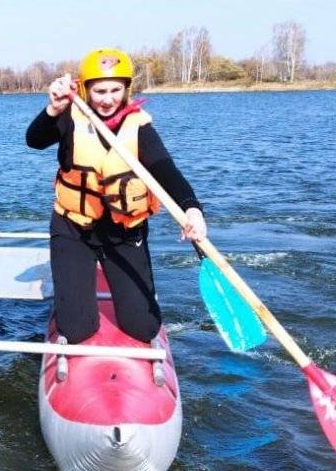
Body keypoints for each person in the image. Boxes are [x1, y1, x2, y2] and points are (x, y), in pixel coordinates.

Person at [25, 48, 207, 344]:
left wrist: (192, 210)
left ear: (126, 89)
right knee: (76, 331)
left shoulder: (139, 126)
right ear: (85, 89)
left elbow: (165, 169)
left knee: (142, 328)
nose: (107, 99)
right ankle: (73, 296)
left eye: (115, 90)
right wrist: (53, 108)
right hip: (74, 229)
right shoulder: (70, 116)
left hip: (123, 232)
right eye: (99, 91)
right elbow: (34, 140)